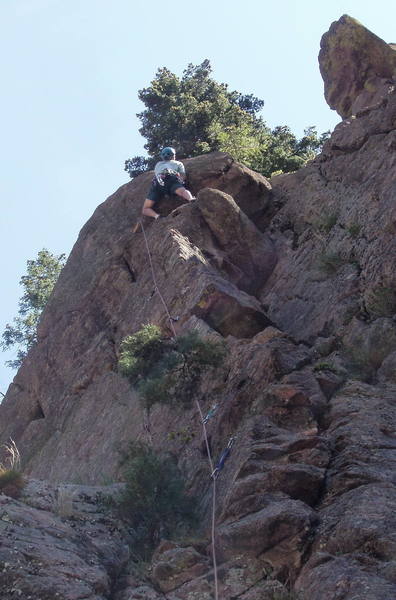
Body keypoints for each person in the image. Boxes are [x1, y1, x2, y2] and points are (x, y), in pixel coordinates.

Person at [142, 147, 195, 219]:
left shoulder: (158, 164)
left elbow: (157, 174)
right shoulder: (178, 163)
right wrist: (181, 182)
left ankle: (157, 216)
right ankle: (191, 199)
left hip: (157, 183)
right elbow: (182, 175)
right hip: (170, 179)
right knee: (182, 192)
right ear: (173, 155)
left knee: (145, 209)